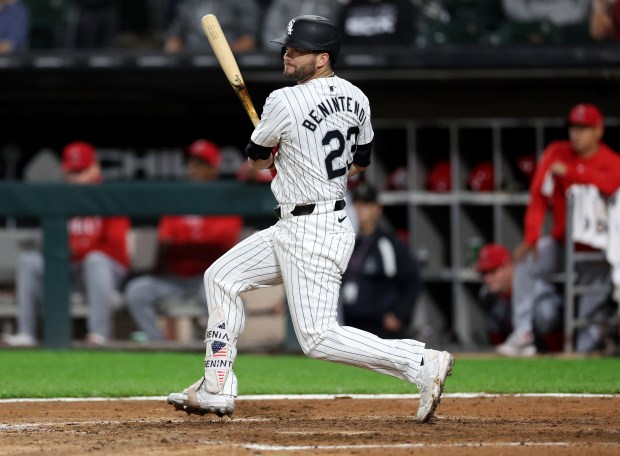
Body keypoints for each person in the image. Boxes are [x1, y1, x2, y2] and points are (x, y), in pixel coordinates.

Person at [167, 15, 454, 424]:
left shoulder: (283, 100)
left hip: (311, 229)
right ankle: (217, 384)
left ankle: (419, 361)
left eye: (296, 50)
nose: (287, 54)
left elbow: (257, 160)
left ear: (322, 58)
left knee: (317, 338)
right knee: (221, 277)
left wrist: (278, 157)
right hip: (310, 221)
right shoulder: (358, 97)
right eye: (287, 47)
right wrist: (299, 160)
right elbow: (358, 165)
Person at [497, 103, 620, 356]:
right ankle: (522, 334)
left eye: (584, 128)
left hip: (597, 251)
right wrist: (531, 236)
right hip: (563, 242)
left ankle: (585, 349)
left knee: (588, 316)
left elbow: (610, 184)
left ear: (598, 131)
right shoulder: (557, 152)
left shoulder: (611, 160)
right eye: (574, 127)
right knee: (526, 262)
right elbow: (538, 197)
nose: (576, 134)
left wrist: (572, 173)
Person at [1, 141, 131, 347]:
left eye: (81, 171)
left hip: (104, 274)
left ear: (95, 168)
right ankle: (25, 333)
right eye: (72, 172)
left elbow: (115, 248)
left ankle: (99, 334)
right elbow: (49, 242)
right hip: (69, 270)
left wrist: (78, 250)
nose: (77, 178)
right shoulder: (59, 198)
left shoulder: (109, 197)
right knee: (29, 260)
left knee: (95, 261)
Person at [124, 139, 243, 342]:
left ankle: (218, 349)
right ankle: (157, 345)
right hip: (174, 278)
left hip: (206, 281)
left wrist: (189, 241)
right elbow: (165, 243)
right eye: (190, 163)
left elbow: (222, 246)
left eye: (199, 164)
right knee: (137, 290)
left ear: (213, 169)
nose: (192, 169)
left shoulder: (225, 202)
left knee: (217, 298)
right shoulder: (177, 200)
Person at [339, 183, 421, 339]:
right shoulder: (345, 242)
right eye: (356, 204)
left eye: (366, 205)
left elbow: (412, 280)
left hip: (380, 328)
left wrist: (399, 314)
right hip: (350, 324)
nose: (359, 210)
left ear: (377, 209)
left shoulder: (388, 244)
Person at [164, 0, 260, 53]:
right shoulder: (190, 3)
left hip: (229, 62)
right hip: (191, 62)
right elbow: (175, 37)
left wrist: (226, 58)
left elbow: (248, 39)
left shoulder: (241, 2)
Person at [260, 0, 343, 50]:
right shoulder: (283, 2)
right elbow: (271, 35)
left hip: (318, 57)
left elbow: (332, 37)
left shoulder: (330, 4)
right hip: (284, 58)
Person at [337, 0, 421, 49]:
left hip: (394, 68)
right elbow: (342, 43)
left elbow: (408, 43)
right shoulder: (349, 8)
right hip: (353, 68)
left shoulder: (403, 5)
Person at [475, 243, 514, 346]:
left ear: (508, 266)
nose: (487, 279)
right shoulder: (488, 296)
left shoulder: (524, 289)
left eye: (493, 271)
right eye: (484, 273)